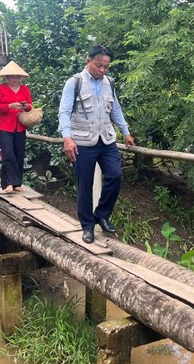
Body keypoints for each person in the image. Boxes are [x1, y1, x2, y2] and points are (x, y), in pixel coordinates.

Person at [58, 45, 135, 244]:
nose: (102, 70)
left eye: (106, 67)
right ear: (89, 61)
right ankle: (87, 226)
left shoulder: (110, 83)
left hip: (106, 139)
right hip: (82, 142)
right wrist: (67, 138)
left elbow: (115, 109)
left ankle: (101, 214)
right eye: (99, 65)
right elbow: (64, 112)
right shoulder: (74, 82)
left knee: (115, 175)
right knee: (85, 185)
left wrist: (125, 132)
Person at [0, 61, 33, 193]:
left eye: (17, 77)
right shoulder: (0, 88)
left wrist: (25, 106)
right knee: (8, 153)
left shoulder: (25, 89)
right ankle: (8, 183)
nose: (14, 79)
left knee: (19, 153)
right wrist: (9, 106)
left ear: (20, 78)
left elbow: (30, 106)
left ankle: (17, 183)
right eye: (11, 77)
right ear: (6, 78)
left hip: (20, 126)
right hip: (5, 127)